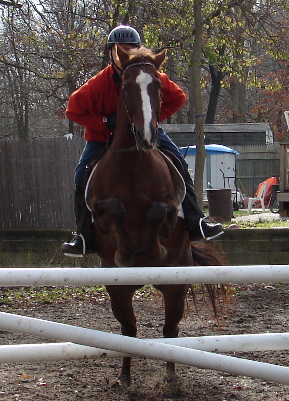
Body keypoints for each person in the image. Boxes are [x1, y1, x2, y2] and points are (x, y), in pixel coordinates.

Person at [62, 25, 223, 257]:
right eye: (121, 50)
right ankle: (83, 236)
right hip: (103, 138)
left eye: (131, 48)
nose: (126, 53)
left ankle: (197, 222)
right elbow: (73, 111)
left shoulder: (149, 74)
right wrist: (107, 123)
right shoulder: (98, 84)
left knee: (179, 163)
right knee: (80, 176)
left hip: (146, 130)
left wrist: (152, 120)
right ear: (112, 53)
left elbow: (178, 97)